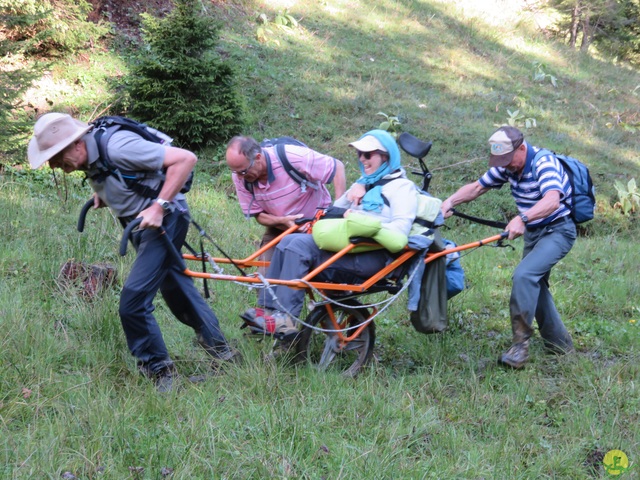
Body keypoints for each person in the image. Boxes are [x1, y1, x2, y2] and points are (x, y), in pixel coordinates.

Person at [28, 112, 239, 392]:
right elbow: (122, 173)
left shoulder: (118, 146)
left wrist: (159, 206)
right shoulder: (92, 156)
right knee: (177, 289)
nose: (55, 166)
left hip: (165, 221)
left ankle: (160, 372)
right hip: (141, 225)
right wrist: (108, 191)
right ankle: (223, 354)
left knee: (133, 301)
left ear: (76, 143)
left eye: (56, 157)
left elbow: (185, 159)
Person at [241, 129, 418, 335]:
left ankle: (285, 320)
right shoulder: (362, 185)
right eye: (360, 154)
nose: (362, 159)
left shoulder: (402, 188)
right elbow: (334, 213)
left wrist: (360, 220)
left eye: (368, 155)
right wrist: (354, 194)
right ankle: (268, 310)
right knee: (288, 242)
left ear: (387, 156)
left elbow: (400, 231)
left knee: (297, 248)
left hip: (373, 255)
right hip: (346, 247)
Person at [440, 126, 576, 369]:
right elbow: (477, 187)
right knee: (535, 284)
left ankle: (520, 347)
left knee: (524, 276)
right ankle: (560, 344)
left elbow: (552, 200)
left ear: (522, 148)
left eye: (508, 159)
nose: (506, 166)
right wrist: (449, 202)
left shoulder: (544, 163)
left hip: (558, 230)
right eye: (500, 161)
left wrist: (523, 218)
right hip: (535, 233)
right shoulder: (509, 166)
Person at [225, 136, 346, 273]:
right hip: (280, 227)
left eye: (243, 171)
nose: (240, 177)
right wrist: (282, 221)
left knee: (327, 277)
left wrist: (338, 211)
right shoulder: (240, 176)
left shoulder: (294, 157)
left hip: (316, 224)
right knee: (265, 280)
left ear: (258, 158)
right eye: (235, 172)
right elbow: (258, 215)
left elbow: (337, 168)